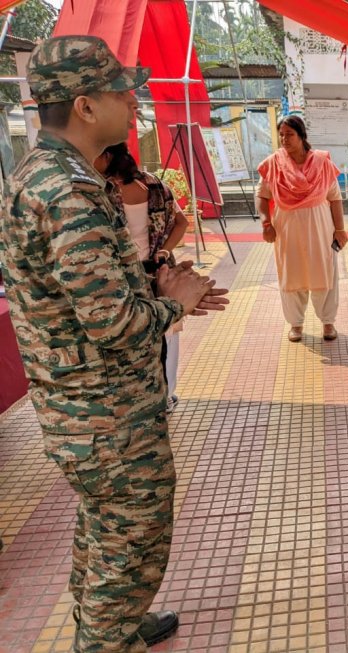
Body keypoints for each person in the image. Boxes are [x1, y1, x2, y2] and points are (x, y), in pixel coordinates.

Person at [0, 36, 229, 652]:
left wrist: (156, 284)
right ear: (82, 104)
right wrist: (171, 304)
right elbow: (113, 323)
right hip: (106, 415)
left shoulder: (45, 172)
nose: (133, 102)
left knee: (105, 532)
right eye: (118, 90)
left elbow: (79, 296)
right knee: (132, 541)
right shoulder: (68, 191)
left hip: (91, 408)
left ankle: (115, 624)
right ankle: (108, 638)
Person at [96, 141, 189, 412]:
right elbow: (182, 222)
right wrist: (164, 250)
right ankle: (168, 395)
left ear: (106, 157)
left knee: (133, 333)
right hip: (158, 271)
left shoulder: (102, 192)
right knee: (169, 330)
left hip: (122, 276)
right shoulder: (155, 185)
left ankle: (141, 398)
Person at [257, 115, 346, 342]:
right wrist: (266, 224)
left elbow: (335, 199)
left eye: (289, 134)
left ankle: (328, 323)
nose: (284, 139)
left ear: (301, 135)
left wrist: (340, 229)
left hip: (320, 229)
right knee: (291, 275)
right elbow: (262, 195)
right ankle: (296, 324)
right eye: (281, 135)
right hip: (287, 231)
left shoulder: (321, 163)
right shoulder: (273, 164)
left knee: (325, 274)